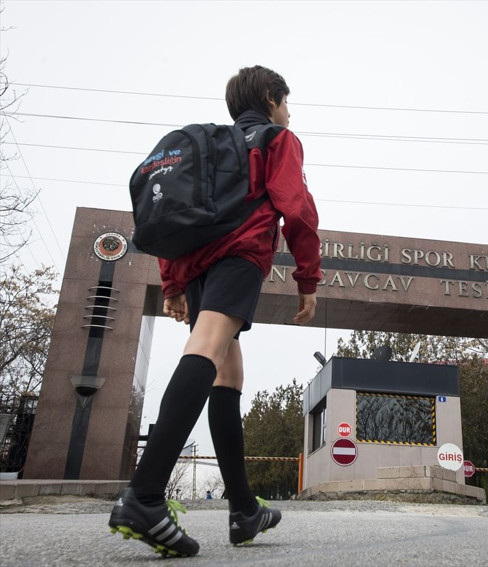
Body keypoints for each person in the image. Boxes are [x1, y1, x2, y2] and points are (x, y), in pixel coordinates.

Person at [109, 65, 322, 558]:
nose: (289, 112)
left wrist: (174, 282)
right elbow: (299, 209)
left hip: (200, 265)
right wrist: (308, 280)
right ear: (271, 98)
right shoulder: (276, 140)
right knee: (206, 349)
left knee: (228, 372)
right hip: (240, 257)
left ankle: (244, 508)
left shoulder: (212, 145)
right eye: (287, 102)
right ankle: (144, 496)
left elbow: (172, 215)